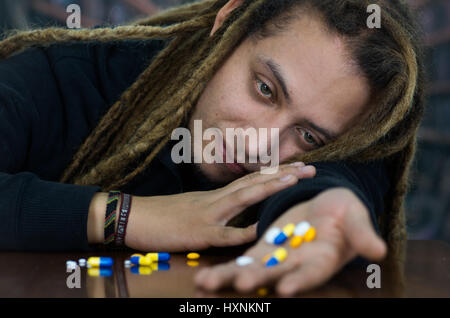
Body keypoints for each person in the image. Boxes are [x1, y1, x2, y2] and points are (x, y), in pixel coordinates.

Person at [0, 0, 425, 296]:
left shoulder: (345, 145)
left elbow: (338, 187)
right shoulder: (65, 75)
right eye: (265, 89)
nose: (261, 145)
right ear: (231, 19)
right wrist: (125, 216)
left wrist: (318, 215)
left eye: (308, 136)